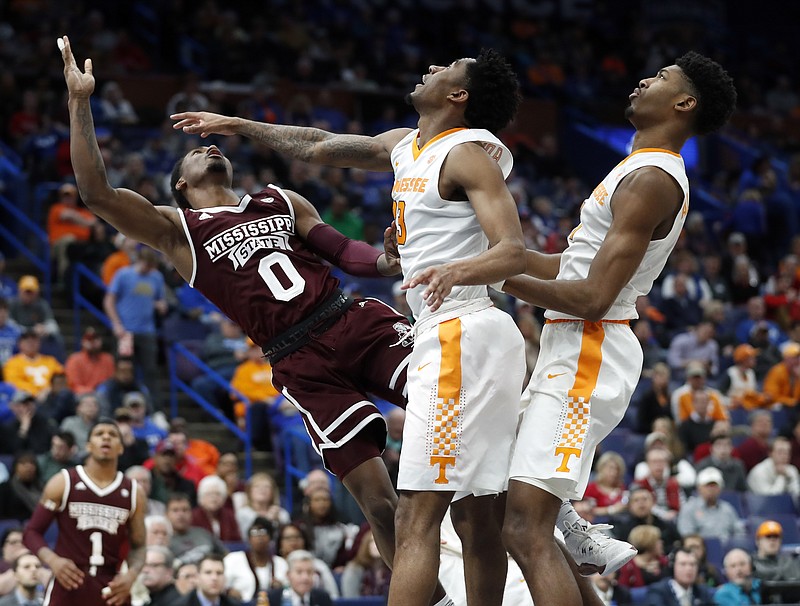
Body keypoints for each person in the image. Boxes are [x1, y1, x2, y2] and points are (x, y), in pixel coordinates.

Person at [60, 35, 450, 606]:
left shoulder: (280, 199)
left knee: (451, 405)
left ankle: (546, 513)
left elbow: (344, 252)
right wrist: (80, 102)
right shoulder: (178, 232)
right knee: (378, 503)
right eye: (196, 152)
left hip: (352, 317)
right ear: (180, 183)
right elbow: (95, 192)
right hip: (299, 359)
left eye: (215, 148)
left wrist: (384, 259)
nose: (210, 151)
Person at [173, 49, 536, 606]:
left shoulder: (465, 155)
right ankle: (541, 531)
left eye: (446, 69)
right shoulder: (401, 145)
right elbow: (318, 147)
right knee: (450, 510)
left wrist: (449, 268)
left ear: (458, 96)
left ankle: (552, 522)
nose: (430, 68)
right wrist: (240, 124)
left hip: (446, 322)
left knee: (442, 510)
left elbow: (511, 250)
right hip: (362, 339)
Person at [490, 52, 737, 606]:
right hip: (574, 344)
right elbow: (572, 267)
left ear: (683, 103)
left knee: (523, 527)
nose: (645, 79)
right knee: (531, 521)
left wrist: (496, 275)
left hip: (590, 349)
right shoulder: (635, 168)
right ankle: (577, 539)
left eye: (662, 78)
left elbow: (594, 297)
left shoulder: (651, 178)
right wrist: (492, 258)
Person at [22, 417, 148, 606]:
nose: (106, 438)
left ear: (120, 448)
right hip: (68, 581)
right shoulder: (64, 482)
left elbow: (139, 546)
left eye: (112, 435)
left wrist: (131, 576)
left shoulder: (133, 492)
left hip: (111, 585)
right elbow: (31, 532)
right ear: (89, 446)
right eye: (99, 434)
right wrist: (53, 561)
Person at [223, 517, 288, 604]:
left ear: (271, 538)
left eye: (263, 532)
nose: (259, 537)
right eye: (255, 533)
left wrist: (281, 588)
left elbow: (289, 591)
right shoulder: (233, 559)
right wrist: (229, 591)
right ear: (249, 539)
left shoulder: (281, 563)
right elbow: (219, 586)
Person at [676, 467, 745, 542]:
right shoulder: (689, 508)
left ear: (720, 489)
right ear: (699, 488)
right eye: (707, 485)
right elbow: (687, 535)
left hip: (726, 549)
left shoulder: (727, 509)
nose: (711, 489)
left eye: (714, 486)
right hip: (700, 550)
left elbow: (739, 532)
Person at [643, 547, 715, 606]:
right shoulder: (657, 592)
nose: (689, 569)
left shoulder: (702, 592)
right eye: (683, 564)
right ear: (672, 567)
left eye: (692, 564)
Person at [266, 550, 333, 606]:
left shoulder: (322, 598)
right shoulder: (272, 598)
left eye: (309, 572)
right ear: (288, 575)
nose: (305, 577)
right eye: (299, 572)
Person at [174, 554, 241, 606]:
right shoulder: (182, 604)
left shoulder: (232, 604)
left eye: (219, 573)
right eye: (208, 573)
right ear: (198, 577)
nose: (214, 578)